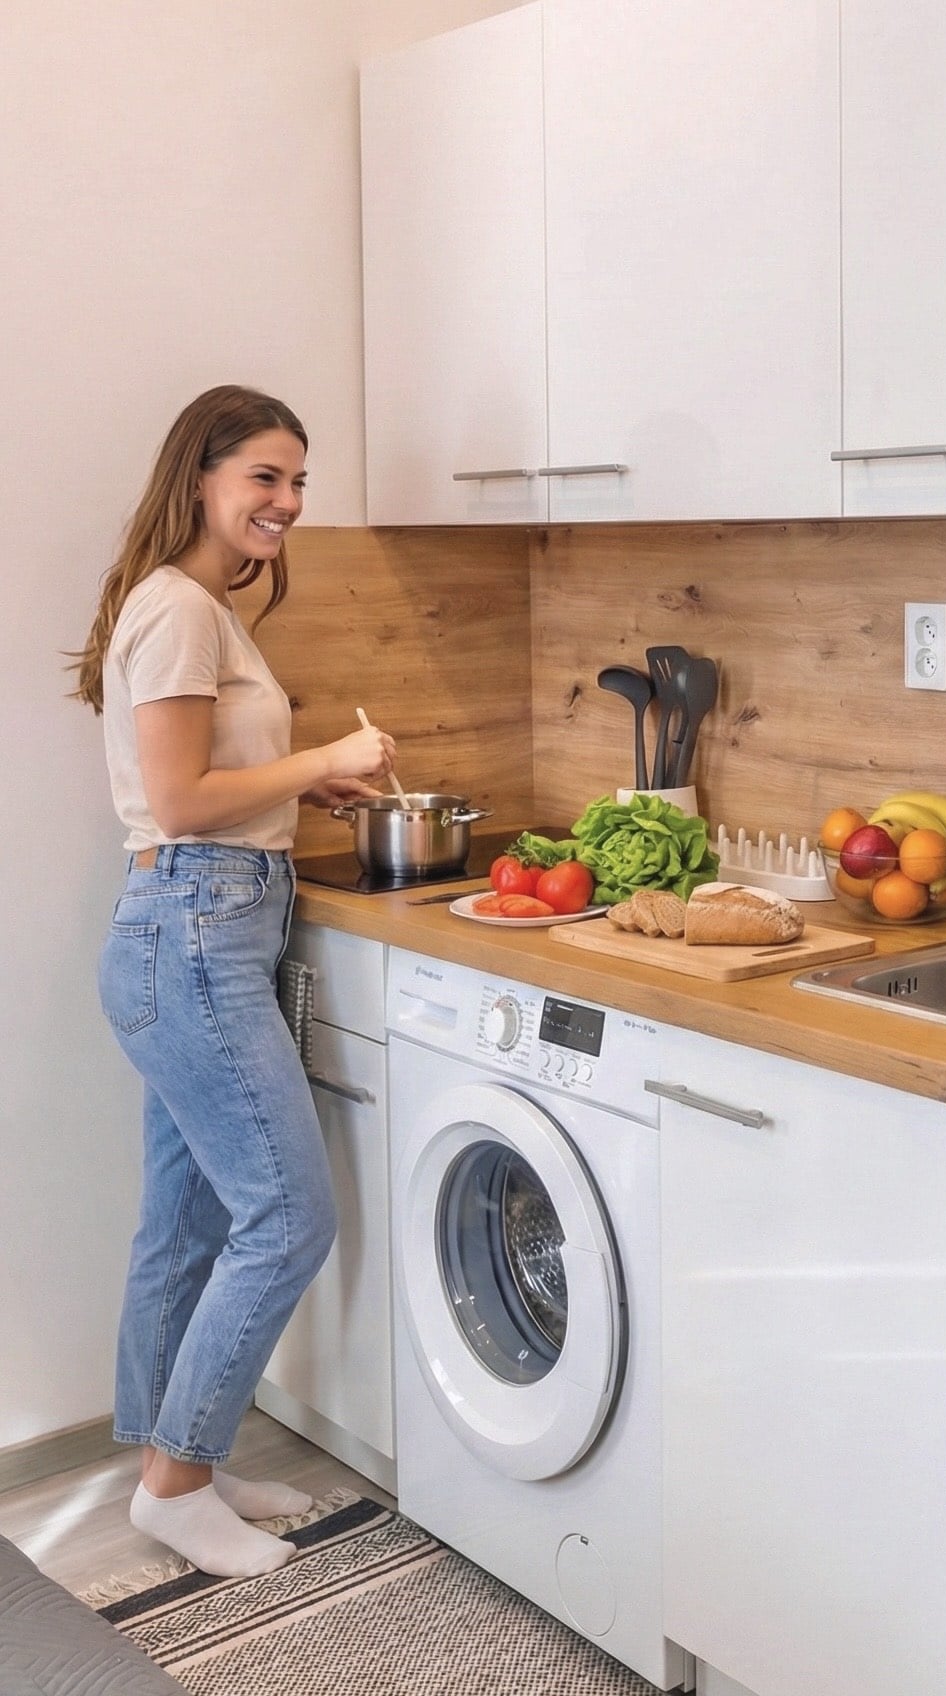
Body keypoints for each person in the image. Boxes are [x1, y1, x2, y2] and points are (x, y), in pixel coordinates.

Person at [70, 386, 396, 1578]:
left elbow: (209, 785)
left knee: (192, 1220)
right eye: (265, 476)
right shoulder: (180, 611)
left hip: (197, 926)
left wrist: (302, 787)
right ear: (201, 475)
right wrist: (330, 754)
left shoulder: (193, 608)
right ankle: (178, 1483)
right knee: (287, 1217)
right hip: (197, 930)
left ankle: (174, 1462)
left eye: (298, 481)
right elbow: (180, 802)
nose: (287, 503)